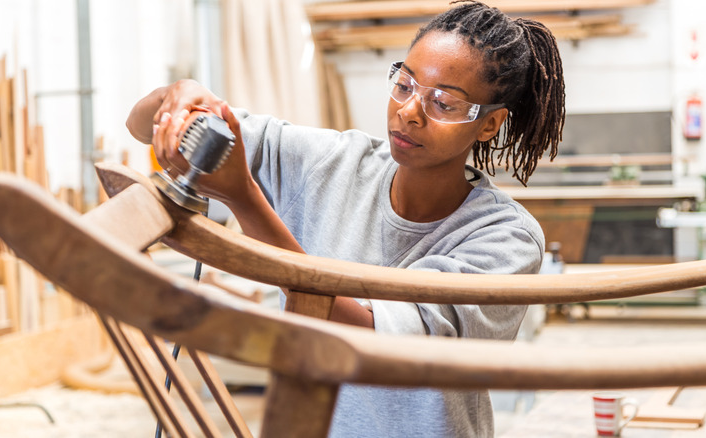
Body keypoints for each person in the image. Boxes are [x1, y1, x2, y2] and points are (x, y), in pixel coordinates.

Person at [127, 1, 564, 436]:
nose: (410, 111)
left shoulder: (505, 237)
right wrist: (181, 99)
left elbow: (375, 344)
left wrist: (243, 198)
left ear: (489, 124)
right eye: (405, 84)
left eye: (444, 103)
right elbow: (140, 122)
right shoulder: (331, 162)